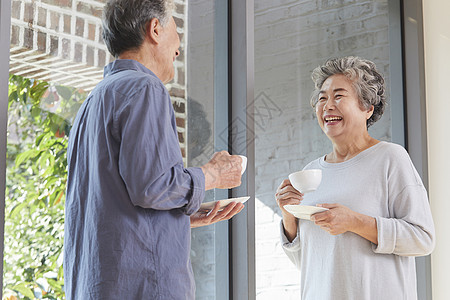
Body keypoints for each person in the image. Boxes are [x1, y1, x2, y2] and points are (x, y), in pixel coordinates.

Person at [64, 0, 245, 299]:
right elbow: (152, 185)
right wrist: (212, 175)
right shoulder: (145, 88)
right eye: (175, 26)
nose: (179, 45)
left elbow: (110, 205)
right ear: (155, 29)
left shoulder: (92, 102)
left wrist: (179, 217)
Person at [275, 56, 435, 300]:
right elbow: (308, 263)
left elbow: (422, 239)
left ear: (367, 108)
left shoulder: (390, 158)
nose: (327, 105)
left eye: (338, 96)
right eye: (322, 98)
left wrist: (354, 221)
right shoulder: (310, 173)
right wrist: (289, 215)